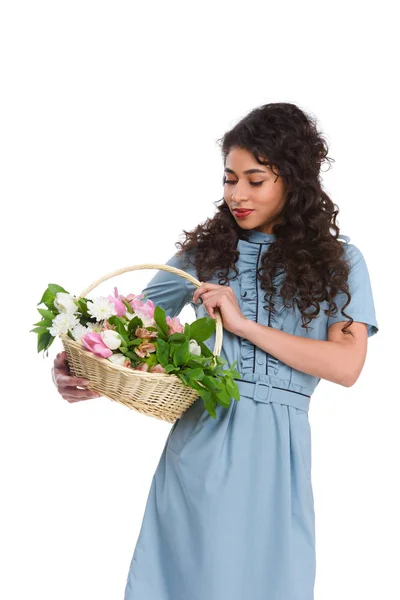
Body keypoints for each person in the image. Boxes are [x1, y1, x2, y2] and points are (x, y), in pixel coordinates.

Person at [52, 102, 379, 600]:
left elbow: (346, 366)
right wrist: (84, 367)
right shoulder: (205, 254)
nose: (237, 195)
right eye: (229, 180)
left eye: (255, 179)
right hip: (202, 445)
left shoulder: (341, 261)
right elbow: (126, 327)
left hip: (279, 456)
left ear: (293, 180)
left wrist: (243, 327)